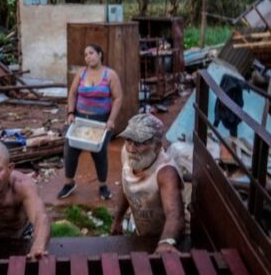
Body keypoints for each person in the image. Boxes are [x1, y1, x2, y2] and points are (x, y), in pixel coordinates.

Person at [110, 114, 184, 254]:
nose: (131, 149)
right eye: (129, 140)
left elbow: (175, 214)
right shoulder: (127, 153)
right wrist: (118, 219)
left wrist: (165, 242)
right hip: (142, 236)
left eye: (139, 143)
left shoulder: (166, 172)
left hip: (168, 240)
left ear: (157, 146)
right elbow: (126, 183)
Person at [59, 43, 123, 200]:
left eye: (91, 53)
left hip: (101, 121)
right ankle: (69, 183)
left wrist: (111, 120)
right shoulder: (81, 73)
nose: (88, 57)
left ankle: (102, 186)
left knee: (99, 153)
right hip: (80, 118)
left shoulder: (110, 75)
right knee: (70, 150)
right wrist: (70, 112)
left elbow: (118, 98)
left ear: (100, 54)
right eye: (86, 54)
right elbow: (73, 94)